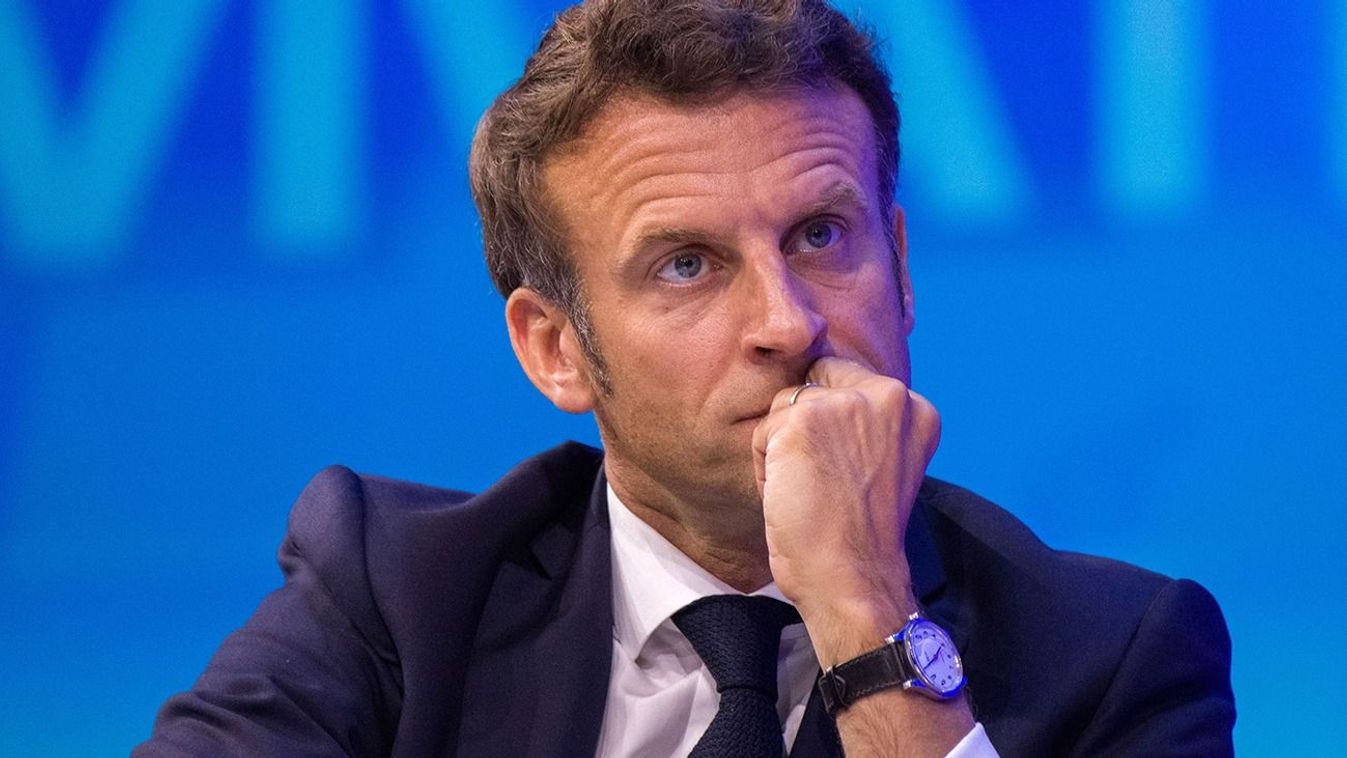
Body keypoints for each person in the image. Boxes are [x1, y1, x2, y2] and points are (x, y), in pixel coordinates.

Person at [135, 1, 1235, 756]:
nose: (787, 322)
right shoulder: (394, 595)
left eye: (819, 235)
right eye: (687, 264)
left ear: (899, 269)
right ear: (554, 348)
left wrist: (865, 615)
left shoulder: (1117, 655)